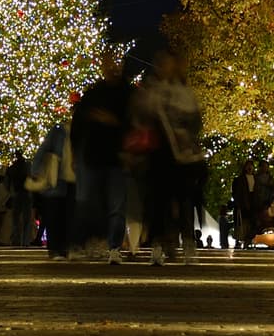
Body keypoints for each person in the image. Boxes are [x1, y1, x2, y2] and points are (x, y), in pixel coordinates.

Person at [133, 36, 205, 266]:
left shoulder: (183, 92)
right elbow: (140, 116)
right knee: (158, 202)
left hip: (181, 157)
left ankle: (187, 245)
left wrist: (185, 132)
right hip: (158, 155)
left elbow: (196, 121)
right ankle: (158, 245)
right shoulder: (153, 90)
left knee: (183, 201)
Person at [72, 48, 134, 263]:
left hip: (117, 156)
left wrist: (114, 123)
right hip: (93, 155)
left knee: (116, 205)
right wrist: (75, 153)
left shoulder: (129, 93)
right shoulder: (93, 93)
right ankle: (90, 240)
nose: (111, 67)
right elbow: (78, 124)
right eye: (108, 62)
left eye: (115, 62)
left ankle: (113, 246)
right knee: (90, 202)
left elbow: (136, 124)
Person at [27, 106, 76, 258]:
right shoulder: (58, 131)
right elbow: (43, 149)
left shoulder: (83, 134)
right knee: (55, 214)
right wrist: (35, 171)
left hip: (75, 180)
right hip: (57, 178)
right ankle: (55, 248)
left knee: (69, 215)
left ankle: (65, 247)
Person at [2, 155, 34, 247]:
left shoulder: (12, 168)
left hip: (16, 193)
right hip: (27, 193)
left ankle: (16, 239)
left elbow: (7, 182)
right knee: (26, 219)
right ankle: (25, 241)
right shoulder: (28, 167)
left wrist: (10, 191)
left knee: (16, 219)